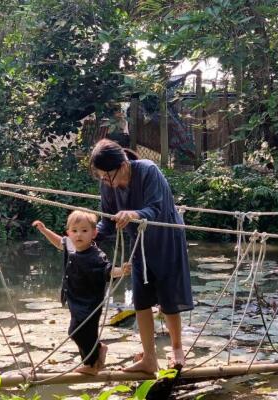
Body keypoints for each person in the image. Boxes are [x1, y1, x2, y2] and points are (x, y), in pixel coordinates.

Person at [90, 139, 193, 373]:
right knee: (141, 300)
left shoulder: (148, 170)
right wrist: (90, 236)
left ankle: (177, 348)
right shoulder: (108, 185)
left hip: (167, 238)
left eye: (108, 176)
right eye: (101, 178)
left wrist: (133, 213)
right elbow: (108, 220)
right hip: (139, 243)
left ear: (123, 164)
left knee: (169, 298)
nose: (106, 182)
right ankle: (149, 357)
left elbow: (155, 208)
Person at [32, 211, 131, 375]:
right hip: (74, 299)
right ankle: (96, 353)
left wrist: (123, 270)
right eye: (75, 230)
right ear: (69, 233)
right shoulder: (70, 245)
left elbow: (108, 271)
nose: (79, 235)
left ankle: (91, 364)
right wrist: (44, 230)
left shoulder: (96, 256)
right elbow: (59, 243)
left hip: (90, 302)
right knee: (80, 331)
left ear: (94, 233)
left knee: (79, 331)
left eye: (84, 231)